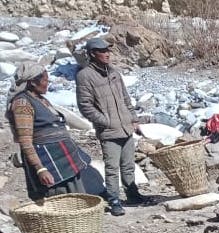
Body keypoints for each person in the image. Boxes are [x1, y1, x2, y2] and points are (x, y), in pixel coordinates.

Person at [5, 62, 104, 202]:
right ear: (33, 82)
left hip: (63, 159)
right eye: (45, 80)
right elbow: (25, 140)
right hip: (49, 162)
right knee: (61, 200)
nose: (48, 83)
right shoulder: (22, 104)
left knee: (77, 198)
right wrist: (40, 169)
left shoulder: (40, 99)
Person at [76, 37, 152, 216]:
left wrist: (133, 118)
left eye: (108, 50)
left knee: (128, 164)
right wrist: (104, 121)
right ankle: (114, 200)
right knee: (112, 168)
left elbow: (126, 98)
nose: (107, 54)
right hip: (109, 130)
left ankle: (132, 194)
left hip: (125, 126)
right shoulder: (84, 75)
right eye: (103, 51)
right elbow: (85, 105)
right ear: (93, 54)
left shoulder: (114, 72)